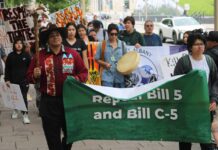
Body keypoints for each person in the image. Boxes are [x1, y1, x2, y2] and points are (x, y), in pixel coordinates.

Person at [26, 24, 88, 150]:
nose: (55, 37)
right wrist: (34, 75)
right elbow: (28, 77)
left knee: (71, 134)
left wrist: (75, 79)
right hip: (48, 102)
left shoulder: (73, 54)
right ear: (48, 40)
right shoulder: (39, 56)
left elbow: (84, 73)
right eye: (52, 36)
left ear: (62, 37)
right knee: (52, 138)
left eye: (58, 35)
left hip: (69, 101)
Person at [174, 33, 218, 150]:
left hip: (205, 107)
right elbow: (176, 83)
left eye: (202, 44)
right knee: (185, 140)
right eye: (196, 44)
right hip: (187, 108)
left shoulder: (209, 61)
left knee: (205, 139)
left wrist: (214, 100)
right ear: (190, 47)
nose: (200, 47)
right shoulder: (183, 62)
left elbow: (214, 82)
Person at [5, 38, 31, 124]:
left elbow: (30, 68)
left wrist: (29, 78)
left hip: (24, 80)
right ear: (14, 45)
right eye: (17, 43)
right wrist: (7, 79)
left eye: (20, 43)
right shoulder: (10, 56)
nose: (19, 45)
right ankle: (15, 110)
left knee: (23, 97)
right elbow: (7, 68)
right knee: (15, 98)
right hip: (13, 81)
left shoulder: (27, 55)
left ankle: (25, 115)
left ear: (23, 45)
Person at [95, 23, 126, 88]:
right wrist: (105, 64)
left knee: (119, 96)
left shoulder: (123, 44)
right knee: (108, 96)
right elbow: (96, 59)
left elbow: (126, 59)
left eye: (116, 34)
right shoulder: (102, 44)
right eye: (112, 34)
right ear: (108, 33)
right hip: (106, 76)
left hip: (120, 77)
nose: (114, 36)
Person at [205, 31, 218, 148]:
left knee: (213, 124)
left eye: (208, 40)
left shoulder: (210, 55)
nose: (206, 42)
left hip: (214, 89)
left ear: (214, 42)